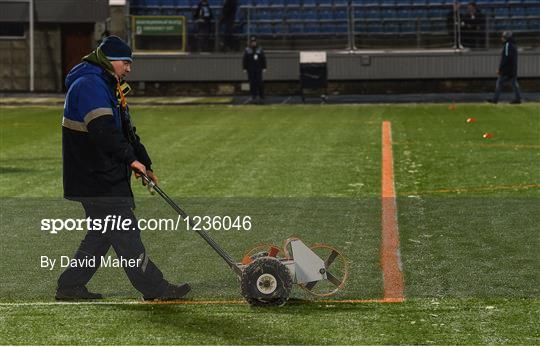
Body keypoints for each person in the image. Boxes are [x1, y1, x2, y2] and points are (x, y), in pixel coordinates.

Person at [57, 36, 191, 300]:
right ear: (109, 60)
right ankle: (155, 288)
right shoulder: (89, 85)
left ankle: (70, 285)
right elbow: (104, 132)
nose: (129, 68)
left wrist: (145, 163)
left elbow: (127, 132)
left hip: (102, 175)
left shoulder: (107, 84)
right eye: (125, 62)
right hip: (96, 177)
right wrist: (130, 160)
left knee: (102, 235)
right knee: (126, 234)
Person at [487, 31, 522, 104]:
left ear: (506, 38)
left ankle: (495, 100)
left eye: (503, 37)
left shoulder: (507, 45)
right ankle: (518, 99)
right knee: (514, 84)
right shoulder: (513, 45)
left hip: (506, 70)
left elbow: (505, 58)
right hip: (512, 69)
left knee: (499, 83)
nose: (501, 38)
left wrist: (500, 68)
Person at [242, 36, 267, 104]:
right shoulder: (247, 50)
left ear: (256, 42)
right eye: (252, 42)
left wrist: (264, 67)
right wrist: (244, 68)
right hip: (250, 69)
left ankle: (262, 95)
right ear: (250, 43)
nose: (253, 43)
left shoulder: (260, 49)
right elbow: (245, 59)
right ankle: (253, 95)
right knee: (252, 83)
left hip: (258, 69)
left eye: (254, 42)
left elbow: (263, 58)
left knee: (260, 82)